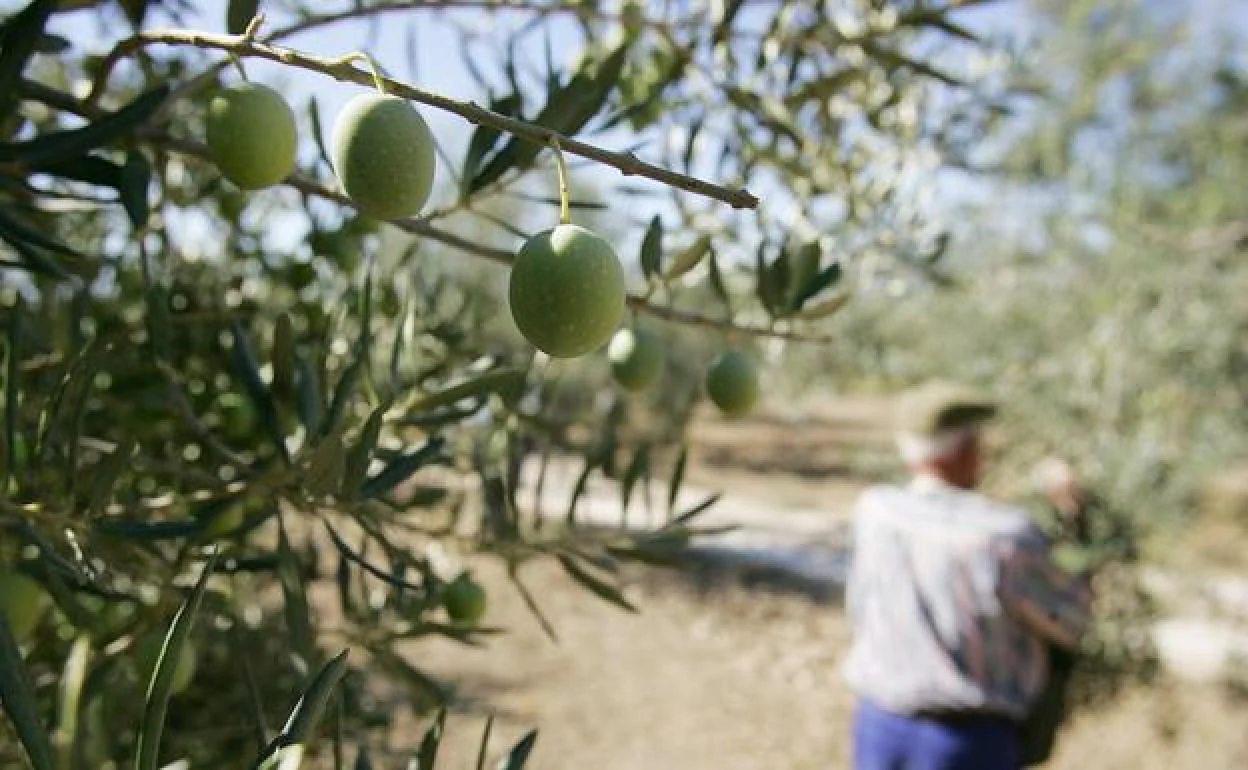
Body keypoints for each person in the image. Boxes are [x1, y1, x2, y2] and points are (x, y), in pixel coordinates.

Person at [843, 381, 1093, 770]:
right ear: (967, 451)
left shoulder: (875, 513)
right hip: (967, 743)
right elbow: (1074, 620)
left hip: (879, 725)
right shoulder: (1004, 538)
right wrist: (1072, 519)